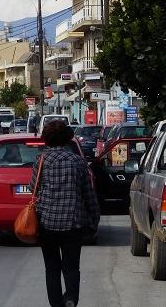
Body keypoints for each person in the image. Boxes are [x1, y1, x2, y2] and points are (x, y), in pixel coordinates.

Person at [30, 120, 100, 307]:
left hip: (47, 223)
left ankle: (56, 304)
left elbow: (33, 189)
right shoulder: (77, 161)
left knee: (52, 268)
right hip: (73, 223)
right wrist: (94, 220)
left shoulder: (41, 160)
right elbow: (88, 194)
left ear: (47, 139)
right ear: (68, 139)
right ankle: (70, 299)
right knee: (71, 267)